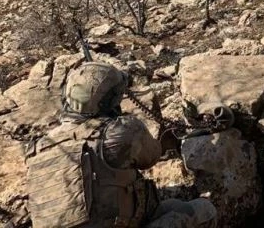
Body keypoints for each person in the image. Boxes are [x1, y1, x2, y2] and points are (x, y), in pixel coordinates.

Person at [25, 61, 216, 228]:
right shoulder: (120, 132)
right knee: (204, 210)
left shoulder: (39, 146)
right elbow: (151, 156)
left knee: (171, 206)